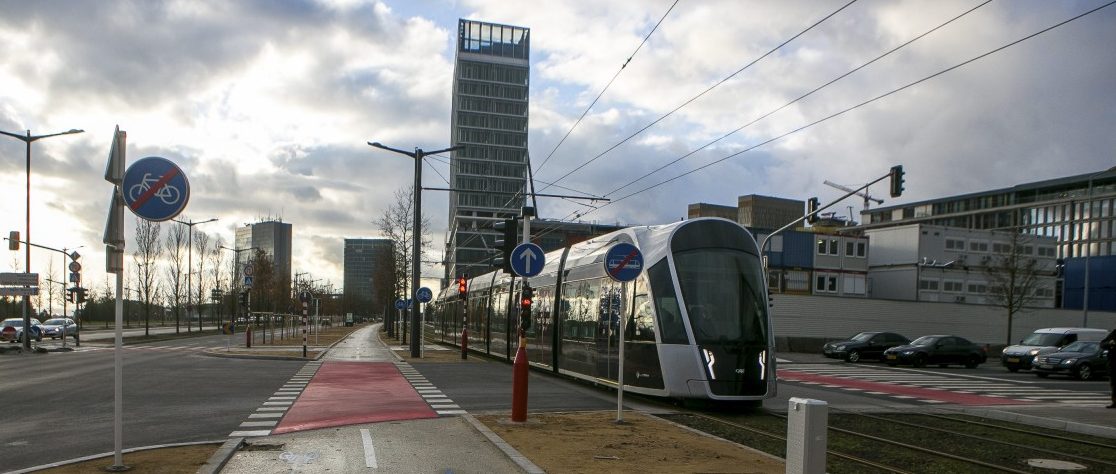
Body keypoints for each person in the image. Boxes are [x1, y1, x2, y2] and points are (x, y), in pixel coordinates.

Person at [1103, 328, 1116, 409]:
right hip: (1113, 363)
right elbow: (1103, 344)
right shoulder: (1115, 333)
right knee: (1114, 383)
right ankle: (1115, 402)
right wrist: (1110, 343)